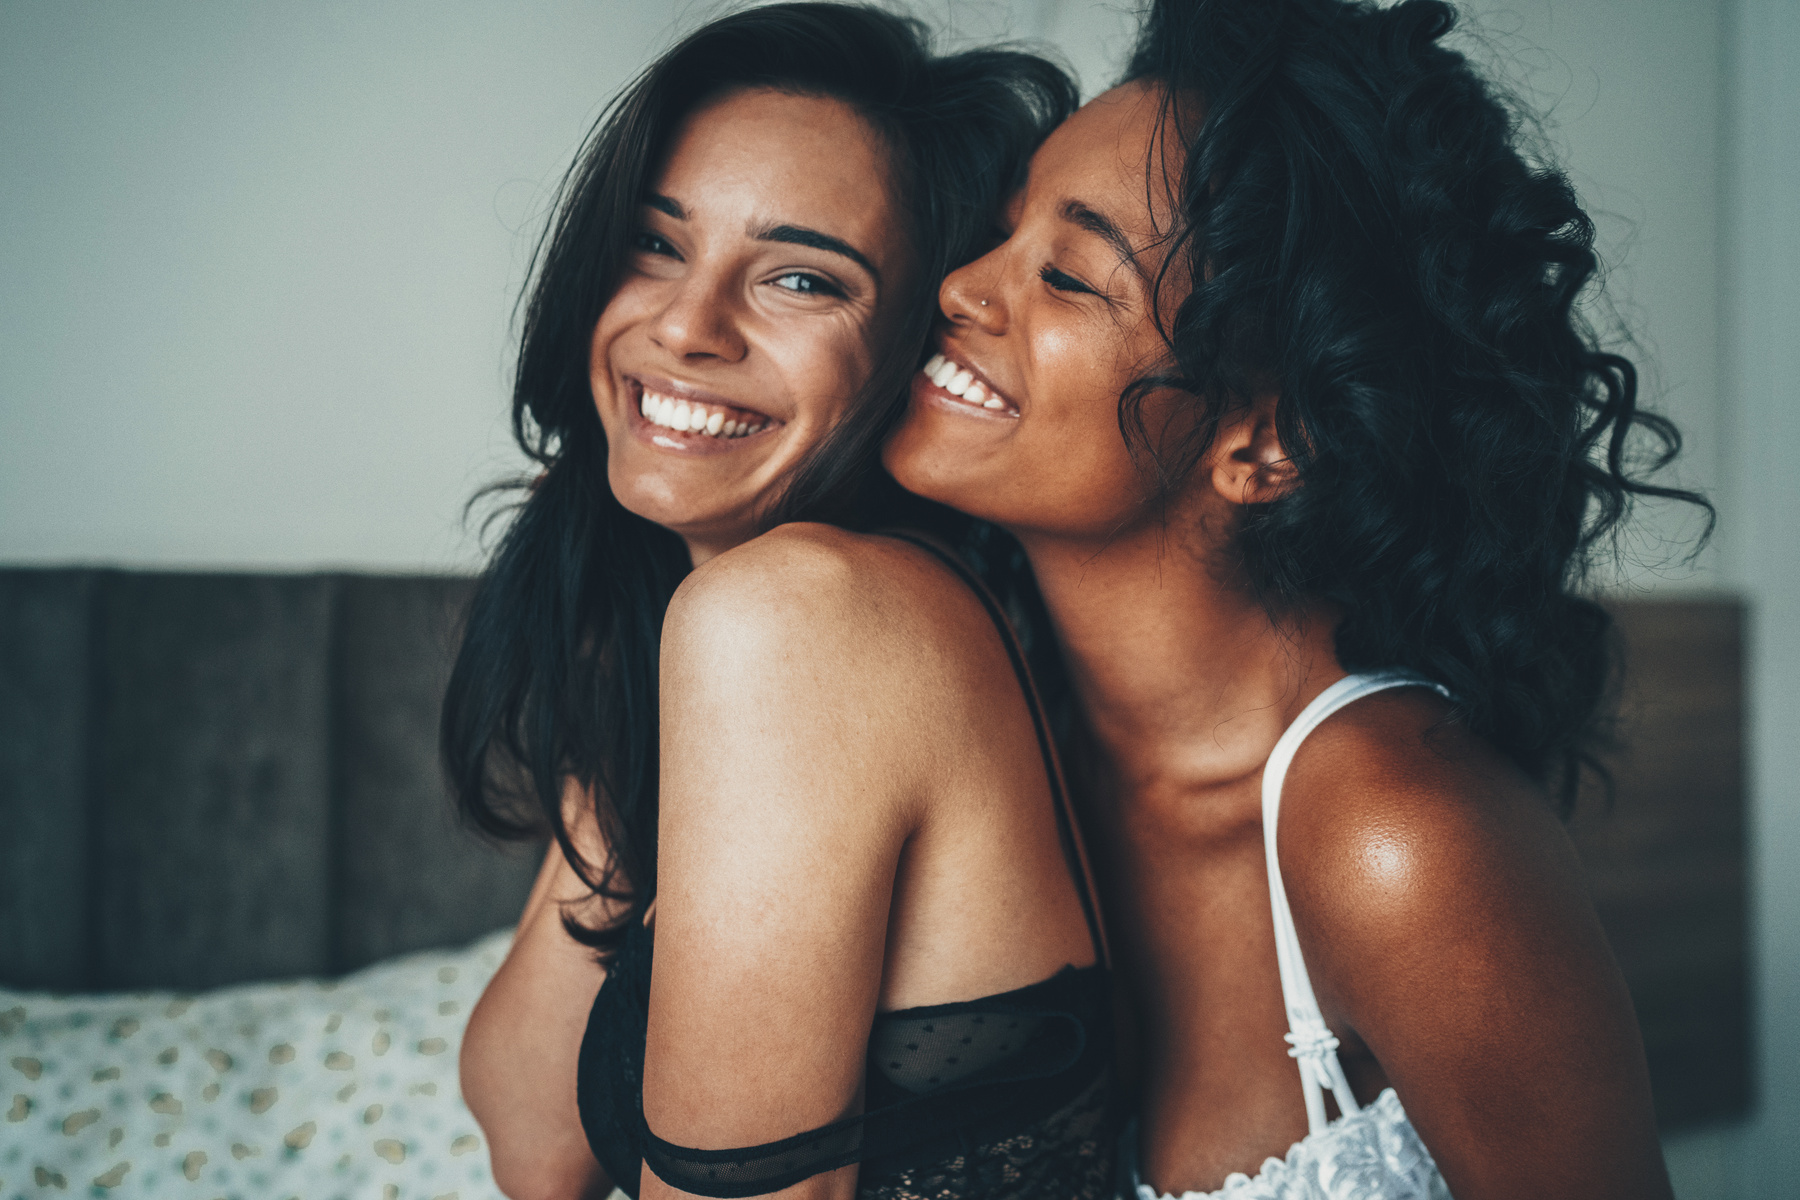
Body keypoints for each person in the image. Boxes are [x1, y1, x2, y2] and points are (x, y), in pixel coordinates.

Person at [882, 0, 1709, 1196]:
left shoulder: (1399, 839)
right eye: (1002, 231)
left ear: (1267, 442)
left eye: (1066, 272)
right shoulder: (991, 740)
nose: (959, 285)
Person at [442, 7, 1115, 1200]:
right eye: (655, 246)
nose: (687, 328)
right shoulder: (733, 612)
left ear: (915, 348)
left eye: (801, 278)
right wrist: (635, 626)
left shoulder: (810, 621)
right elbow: (534, 1138)